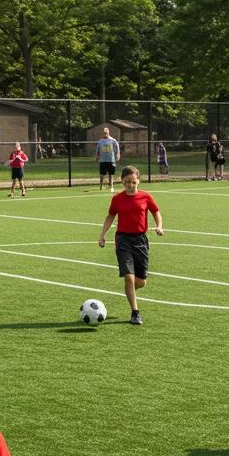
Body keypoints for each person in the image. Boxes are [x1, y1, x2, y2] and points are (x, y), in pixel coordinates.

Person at [98, 166, 163, 326]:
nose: (130, 185)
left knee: (140, 282)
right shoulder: (117, 199)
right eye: (127, 182)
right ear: (122, 181)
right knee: (129, 277)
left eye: (133, 182)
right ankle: (135, 312)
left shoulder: (146, 197)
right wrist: (102, 234)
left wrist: (159, 226)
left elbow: (156, 212)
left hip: (140, 240)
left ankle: (131, 289)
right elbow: (110, 216)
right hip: (123, 240)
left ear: (138, 181)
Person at [94, 127, 121, 192]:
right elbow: (97, 149)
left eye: (106, 133)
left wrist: (118, 154)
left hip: (111, 160)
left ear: (108, 132)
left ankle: (111, 187)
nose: (105, 134)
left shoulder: (113, 140)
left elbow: (117, 148)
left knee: (111, 174)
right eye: (104, 133)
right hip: (102, 160)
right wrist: (96, 156)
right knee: (102, 174)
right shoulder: (100, 141)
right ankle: (100, 188)